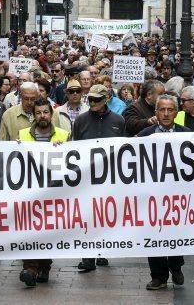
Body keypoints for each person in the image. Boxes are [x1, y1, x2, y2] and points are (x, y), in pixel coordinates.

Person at [17, 98, 70, 287]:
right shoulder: (22, 135)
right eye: (38, 113)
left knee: (47, 231)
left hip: (54, 192)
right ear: (34, 115)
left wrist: (64, 150)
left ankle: (45, 266)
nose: (42, 116)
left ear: (51, 114)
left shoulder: (64, 135)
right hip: (29, 192)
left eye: (45, 112)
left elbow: (73, 161)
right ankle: (30, 267)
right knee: (28, 229)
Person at [72, 85, 124, 273]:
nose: (92, 102)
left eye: (97, 99)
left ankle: (103, 250)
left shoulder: (119, 120)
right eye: (90, 99)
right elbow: (74, 148)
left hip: (111, 178)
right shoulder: (80, 121)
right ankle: (88, 257)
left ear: (107, 99)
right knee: (88, 216)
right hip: (87, 178)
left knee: (106, 215)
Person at [137, 94, 186, 290]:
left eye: (170, 110)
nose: (166, 114)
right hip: (151, 195)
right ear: (155, 112)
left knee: (175, 231)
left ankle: (176, 266)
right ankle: (158, 276)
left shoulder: (187, 135)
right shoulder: (143, 136)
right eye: (162, 110)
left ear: (176, 112)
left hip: (177, 195)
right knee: (153, 233)